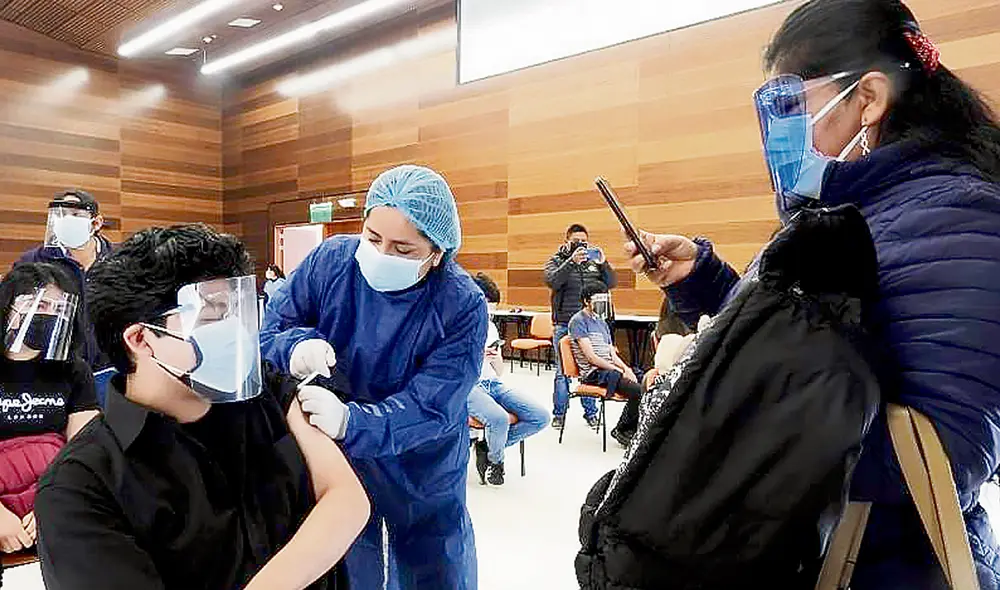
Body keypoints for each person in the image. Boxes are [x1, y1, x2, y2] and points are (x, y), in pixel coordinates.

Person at [624, 1, 1000, 587]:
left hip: (887, 568)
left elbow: (944, 454)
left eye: (791, 108)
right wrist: (703, 281)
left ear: (868, 99)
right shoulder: (859, 209)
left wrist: (703, 394)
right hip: (814, 553)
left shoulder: (961, 219)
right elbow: (810, 341)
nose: (780, 136)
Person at [34, 224, 369, 590]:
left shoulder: (264, 391)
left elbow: (347, 499)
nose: (236, 332)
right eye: (211, 316)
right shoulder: (81, 488)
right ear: (141, 338)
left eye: (236, 311)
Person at [261, 164, 487, 589]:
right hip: (341, 454)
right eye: (373, 238)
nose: (383, 255)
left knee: (434, 560)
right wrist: (295, 349)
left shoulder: (461, 304)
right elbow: (273, 328)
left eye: (404, 249)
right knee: (348, 562)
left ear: (437, 253)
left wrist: (353, 421)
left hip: (422, 458)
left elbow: (434, 405)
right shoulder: (332, 261)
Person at [0, 264, 99, 555]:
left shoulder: (73, 370)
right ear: (8, 306)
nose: (50, 314)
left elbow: (85, 450)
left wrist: (54, 505)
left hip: (53, 498)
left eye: (60, 308)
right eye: (39, 304)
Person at [18, 190, 115, 404]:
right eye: (60, 215)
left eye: (75, 214)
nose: (65, 221)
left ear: (96, 222)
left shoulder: (120, 262)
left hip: (110, 372)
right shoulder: (35, 261)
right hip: (55, 372)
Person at [468, 273, 549, 486]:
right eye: (487, 305)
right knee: (499, 419)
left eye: (492, 307)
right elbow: (450, 368)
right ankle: (496, 462)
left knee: (539, 417)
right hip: (468, 386)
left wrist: (494, 356)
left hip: (493, 383)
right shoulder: (456, 326)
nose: (490, 312)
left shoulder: (491, 327)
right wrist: (477, 355)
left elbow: (500, 370)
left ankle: (489, 446)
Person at [545, 224, 616, 430]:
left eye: (584, 241)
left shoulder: (593, 261)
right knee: (562, 372)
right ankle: (559, 414)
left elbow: (610, 283)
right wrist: (570, 262)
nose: (581, 245)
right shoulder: (557, 260)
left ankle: (591, 413)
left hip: (590, 323)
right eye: (576, 241)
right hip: (564, 322)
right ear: (567, 240)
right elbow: (552, 281)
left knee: (592, 367)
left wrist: (603, 263)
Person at [568, 284, 643, 447]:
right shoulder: (578, 321)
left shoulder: (602, 323)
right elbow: (592, 357)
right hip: (594, 373)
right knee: (638, 391)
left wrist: (626, 369)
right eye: (599, 299)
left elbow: (612, 354)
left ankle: (636, 429)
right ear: (587, 301)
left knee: (645, 381)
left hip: (609, 369)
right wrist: (618, 371)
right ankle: (622, 430)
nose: (604, 303)